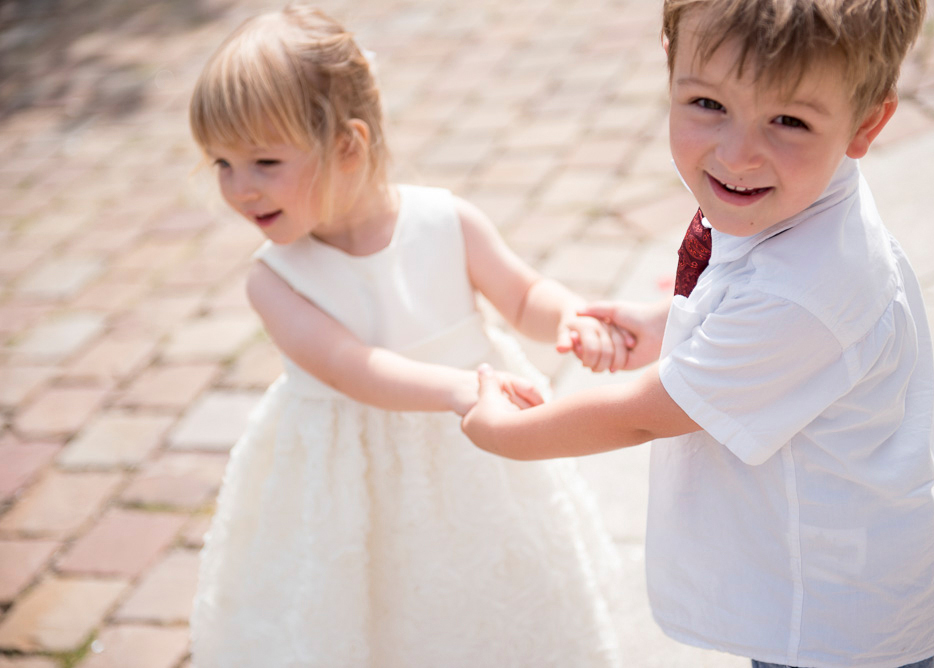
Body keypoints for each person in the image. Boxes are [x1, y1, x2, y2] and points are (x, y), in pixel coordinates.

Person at [462, 1, 934, 667]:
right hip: (841, 576)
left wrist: (503, 433)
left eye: (788, 121)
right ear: (671, 72)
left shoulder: (805, 290)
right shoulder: (803, 202)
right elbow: (753, 319)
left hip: (835, 624)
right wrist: (671, 325)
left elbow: (646, 415)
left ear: (865, 123)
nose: (737, 153)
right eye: (707, 104)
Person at [186, 5, 626, 667]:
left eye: (263, 161)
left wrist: (569, 317)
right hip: (350, 480)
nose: (239, 188)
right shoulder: (276, 279)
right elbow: (351, 368)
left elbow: (523, 293)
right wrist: (461, 389)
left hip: (477, 452)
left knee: (490, 593)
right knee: (375, 614)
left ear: (347, 145)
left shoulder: (445, 221)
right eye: (221, 163)